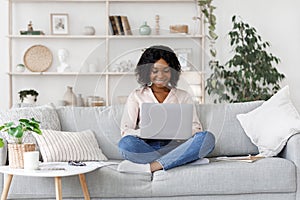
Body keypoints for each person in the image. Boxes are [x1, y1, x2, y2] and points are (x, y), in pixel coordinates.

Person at [118, 45, 215, 173]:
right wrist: (147, 132)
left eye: (166, 70)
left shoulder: (183, 96)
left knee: (207, 138)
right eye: (155, 71)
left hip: (177, 146)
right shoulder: (136, 96)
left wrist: (176, 132)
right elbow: (125, 131)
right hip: (148, 146)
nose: (161, 75)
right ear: (147, 72)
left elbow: (197, 128)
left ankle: (154, 166)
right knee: (126, 145)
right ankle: (182, 160)